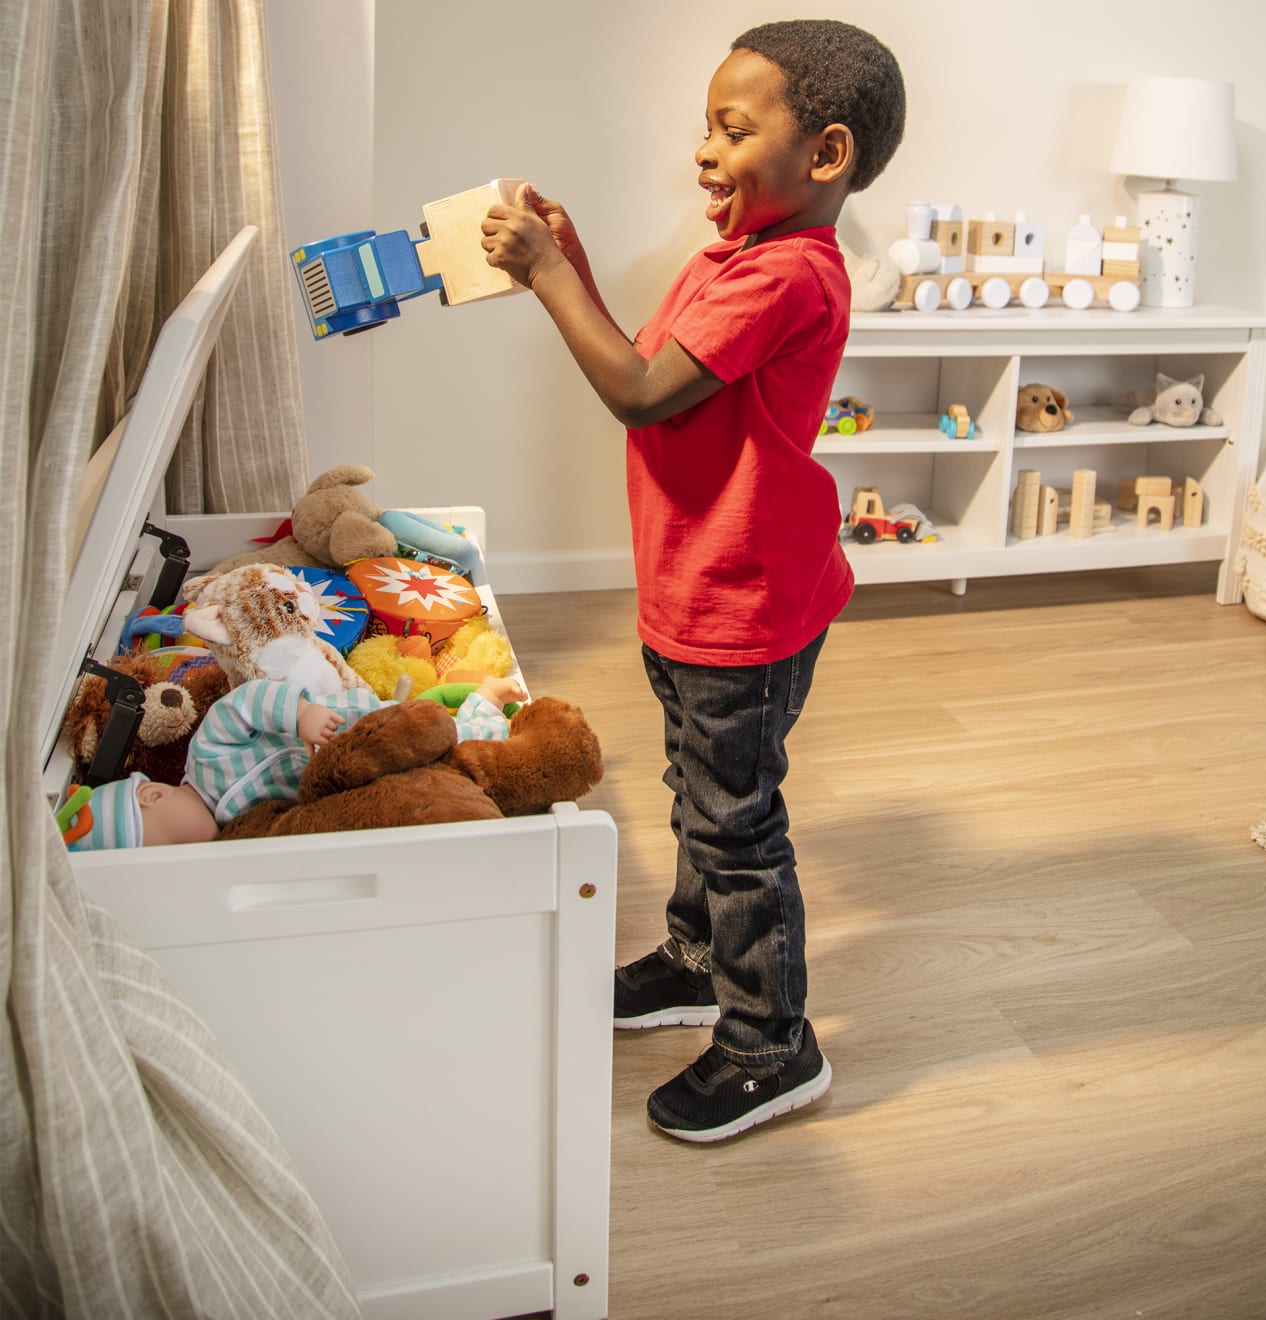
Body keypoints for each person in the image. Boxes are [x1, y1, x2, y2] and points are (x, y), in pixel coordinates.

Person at [481, 19, 905, 1142]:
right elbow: (649, 367)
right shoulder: (734, 261)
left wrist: (544, 276)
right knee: (702, 793)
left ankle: (774, 1045)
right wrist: (567, 263)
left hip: (743, 601)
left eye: (732, 129)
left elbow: (633, 390)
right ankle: (695, 956)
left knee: (735, 822)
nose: (706, 152)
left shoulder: (786, 278)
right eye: (704, 130)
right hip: (701, 583)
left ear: (824, 155)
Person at [64, 674, 527, 849]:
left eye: (168, 844)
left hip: (348, 727)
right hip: (354, 776)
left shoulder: (205, 760)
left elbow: (243, 702)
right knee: (439, 770)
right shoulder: (236, 832)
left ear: (153, 795)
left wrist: (300, 714)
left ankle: (486, 702)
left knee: (442, 738)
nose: (183, 853)